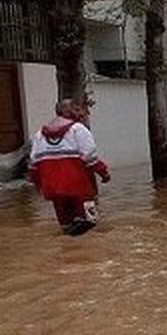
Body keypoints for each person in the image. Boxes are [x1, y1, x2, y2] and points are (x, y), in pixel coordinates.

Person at [28, 98, 110, 235]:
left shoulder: (39, 135)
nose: (83, 113)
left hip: (54, 191)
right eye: (77, 109)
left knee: (66, 229)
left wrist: (38, 185)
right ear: (66, 111)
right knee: (91, 226)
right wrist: (104, 173)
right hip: (81, 189)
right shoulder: (79, 130)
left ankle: (67, 254)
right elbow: (90, 158)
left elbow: (33, 165)